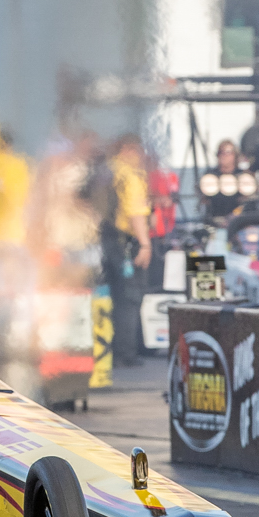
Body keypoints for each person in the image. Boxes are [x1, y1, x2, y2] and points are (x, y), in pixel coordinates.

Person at [103, 135, 154, 365]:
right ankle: (126, 353)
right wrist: (145, 244)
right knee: (130, 298)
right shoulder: (131, 177)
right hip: (127, 244)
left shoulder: (106, 172)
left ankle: (110, 351)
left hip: (107, 242)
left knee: (112, 296)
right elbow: (135, 213)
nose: (141, 156)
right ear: (127, 149)